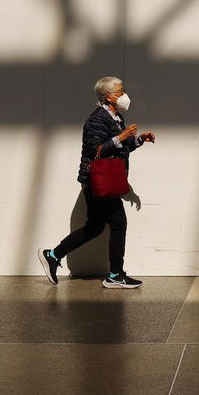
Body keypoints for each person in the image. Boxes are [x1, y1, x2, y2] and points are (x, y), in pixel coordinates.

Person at [38, 76, 154, 288]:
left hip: (104, 182)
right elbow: (97, 150)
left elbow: (121, 147)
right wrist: (123, 136)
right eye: (119, 92)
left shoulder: (115, 117)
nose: (124, 96)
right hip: (97, 182)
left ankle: (53, 255)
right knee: (119, 223)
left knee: (94, 227)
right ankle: (115, 274)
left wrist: (139, 139)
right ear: (107, 96)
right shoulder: (97, 119)